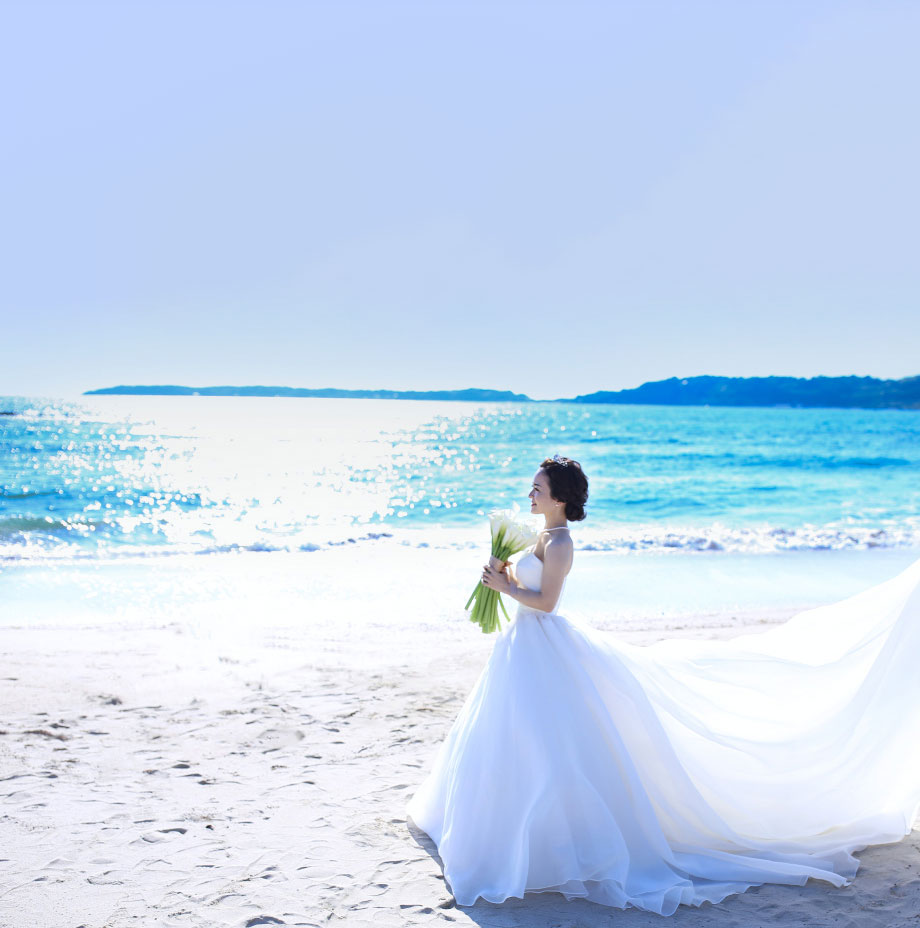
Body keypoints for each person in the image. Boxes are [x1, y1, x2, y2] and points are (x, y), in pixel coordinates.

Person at [405, 455, 920, 916]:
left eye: (538, 487)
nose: (530, 494)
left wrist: (507, 585)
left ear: (559, 497)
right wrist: (501, 574)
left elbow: (547, 604)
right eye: (532, 487)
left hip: (542, 642)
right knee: (511, 739)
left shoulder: (560, 544)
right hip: (522, 647)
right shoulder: (538, 538)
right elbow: (527, 592)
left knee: (554, 745)